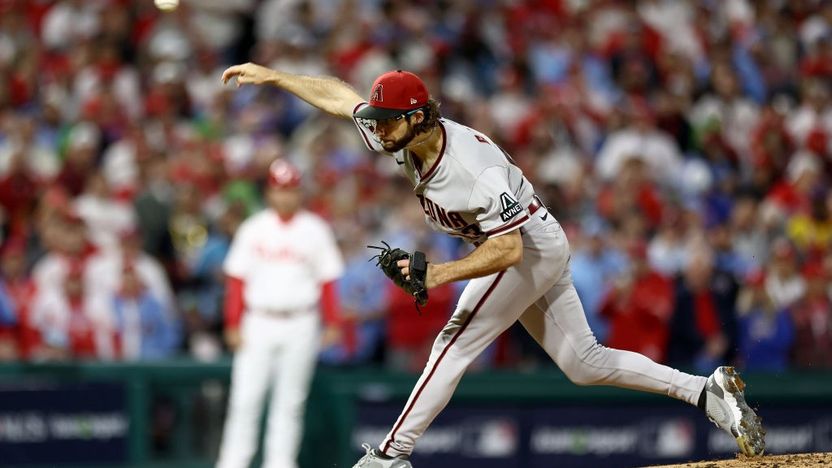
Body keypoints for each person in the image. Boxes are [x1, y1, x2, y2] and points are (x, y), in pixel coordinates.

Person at [221, 63, 766, 467]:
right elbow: (342, 101)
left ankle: (389, 456)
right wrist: (275, 77)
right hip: (532, 241)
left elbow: (508, 250)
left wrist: (436, 274)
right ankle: (705, 391)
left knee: (453, 340)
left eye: (388, 121)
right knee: (584, 362)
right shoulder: (404, 132)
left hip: (527, 245)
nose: (378, 129)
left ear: (415, 117)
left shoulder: (472, 168)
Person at [215, 158, 345, 468]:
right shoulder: (254, 228)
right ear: (270, 193)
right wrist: (232, 322)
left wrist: (332, 320)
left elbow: (327, 279)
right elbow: (236, 281)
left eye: (291, 190)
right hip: (257, 321)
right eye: (279, 190)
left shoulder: (315, 229)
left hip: (301, 321)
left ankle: (281, 463)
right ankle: (233, 463)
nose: (285, 196)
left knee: (290, 403)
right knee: (246, 399)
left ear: (299, 192)